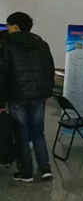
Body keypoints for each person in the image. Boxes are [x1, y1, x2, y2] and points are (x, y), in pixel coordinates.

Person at [0, 12, 55, 183]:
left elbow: (2, 74)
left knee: (21, 134)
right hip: (39, 96)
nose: (7, 28)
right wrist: (47, 91)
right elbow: (50, 69)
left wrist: (1, 101)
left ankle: (26, 173)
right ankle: (45, 168)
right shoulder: (42, 43)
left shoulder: (6, 46)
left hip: (17, 97)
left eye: (8, 25)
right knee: (38, 132)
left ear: (15, 26)